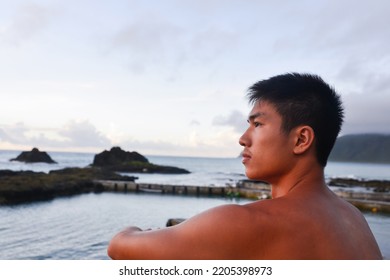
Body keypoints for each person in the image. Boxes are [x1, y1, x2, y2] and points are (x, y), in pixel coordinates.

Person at [107, 73, 382, 260]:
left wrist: (138, 231)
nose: (243, 138)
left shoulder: (247, 222)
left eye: (258, 124)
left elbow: (118, 247)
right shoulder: (353, 219)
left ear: (301, 139)